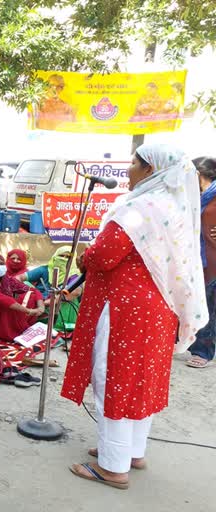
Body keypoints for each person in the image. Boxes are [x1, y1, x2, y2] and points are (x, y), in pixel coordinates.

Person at [62, 144, 207, 489]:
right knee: (143, 379)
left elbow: (104, 255)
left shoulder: (139, 208)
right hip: (158, 309)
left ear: (149, 169)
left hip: (127, 309)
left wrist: (87, 256)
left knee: (115, 378)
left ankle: (114, 467)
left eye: (133, 163)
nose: (127, 169)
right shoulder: (173, 206)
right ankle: (132, 452)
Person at [188, 156, 216, 368]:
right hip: (196, 256)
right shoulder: (197, 196)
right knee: (196, 301)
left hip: (213, 259)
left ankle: (204, 351)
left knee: (209, 304)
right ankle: (190, 343)